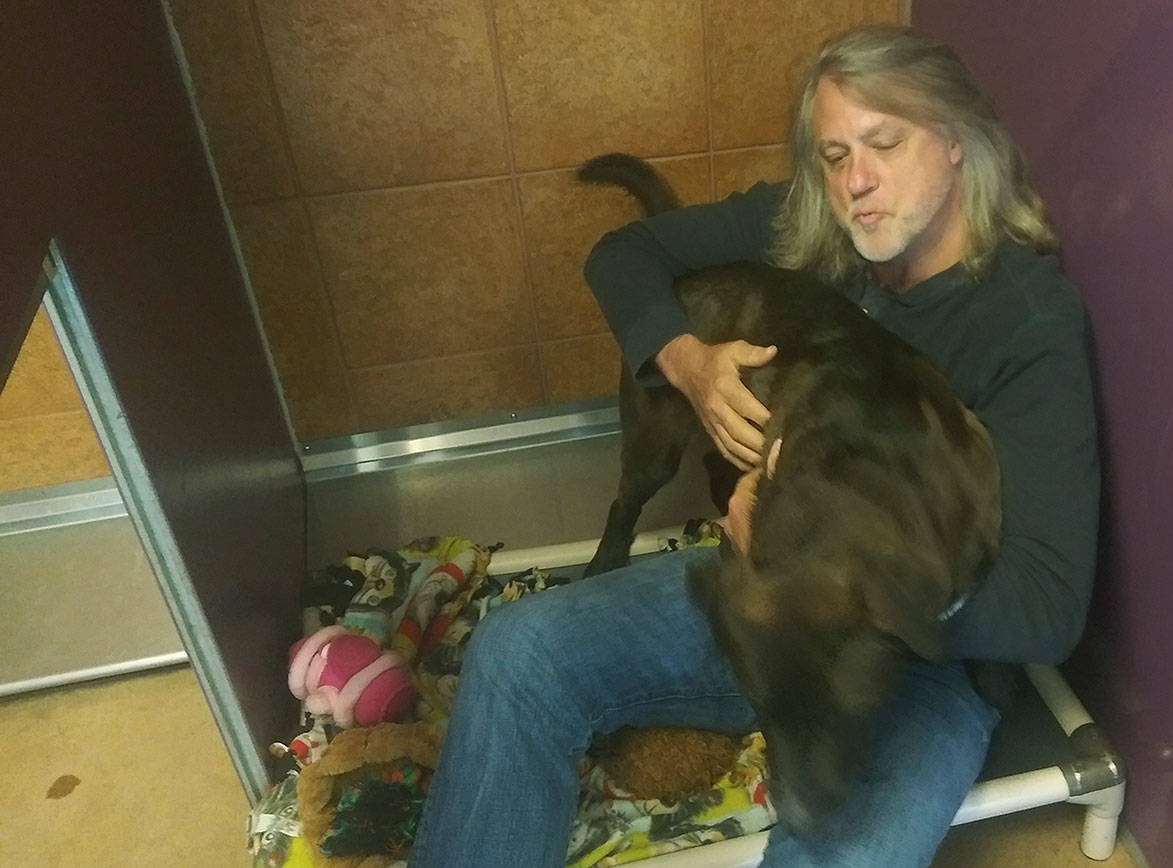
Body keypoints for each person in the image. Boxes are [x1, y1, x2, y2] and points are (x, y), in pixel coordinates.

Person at [409, 23, 1098, 867]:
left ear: (957, 142)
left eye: (886, 143)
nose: (858, 182)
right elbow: (626, 254)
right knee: (517, 654)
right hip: (766, 592)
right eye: (835, 154)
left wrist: (827, 582)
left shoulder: (1027, 322)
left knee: (836, 850)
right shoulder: (817, 225)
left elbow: (1048, 605)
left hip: (919, 657)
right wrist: (689, 362)